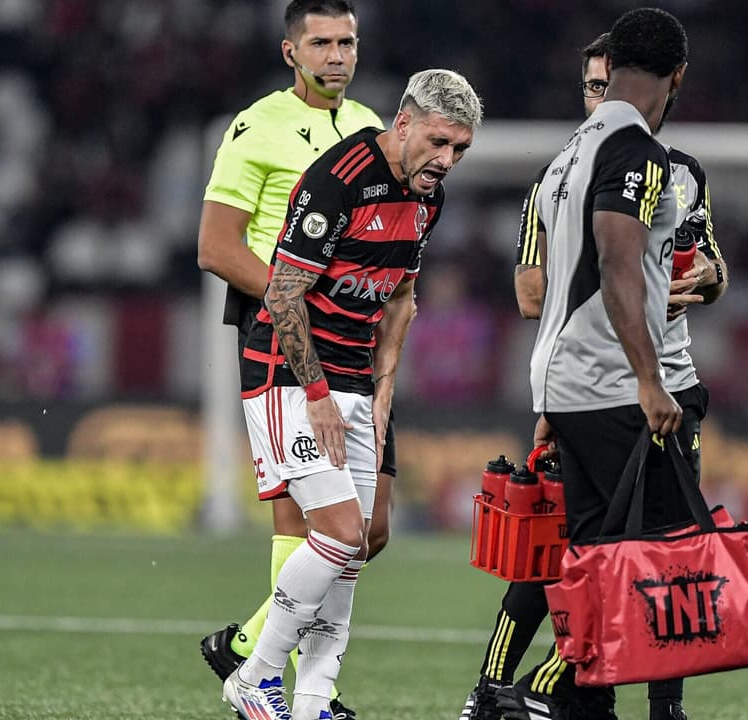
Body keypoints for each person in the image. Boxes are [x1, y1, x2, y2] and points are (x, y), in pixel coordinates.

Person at [464, 29, 728, 720]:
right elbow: (611, 266)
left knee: (596, 552)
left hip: (580, 383)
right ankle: (537, 694)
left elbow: (695, 264)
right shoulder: (629, 154)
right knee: (656, 557)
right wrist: (647, 380)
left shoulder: (572, 161)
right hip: (623, 385)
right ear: (678, 75)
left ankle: (582, 702)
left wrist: (707, 278)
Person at [222, 69, 482, 720]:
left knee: (357, 545)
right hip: (288, 372)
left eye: (459, 150)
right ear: (404, 123)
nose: (446, 161)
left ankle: (312, 702)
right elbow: (282, 294)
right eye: (438, 142)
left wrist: (382, 394)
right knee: (337, 534)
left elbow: (401, 300)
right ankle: (254, 675)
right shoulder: (338, 179)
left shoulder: (428, 199)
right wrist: (315, 393)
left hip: (357, 379)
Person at [195, 3, 387, 717]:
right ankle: (294, 692)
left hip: (356, 337)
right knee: (302, 522)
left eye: (347, 42)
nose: (337, 55)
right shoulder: (258, 126)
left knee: (370, 525)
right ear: (290, 50)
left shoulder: (373, 127)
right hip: (282, 330)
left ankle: (248, 647)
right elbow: (216, 247)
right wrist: (297, 297)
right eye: (322, 42)